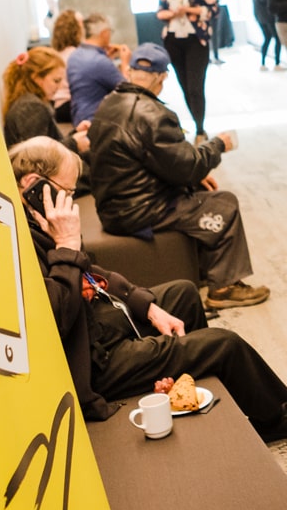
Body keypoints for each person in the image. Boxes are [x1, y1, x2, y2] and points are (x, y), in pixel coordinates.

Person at [8, 137, 287, 440]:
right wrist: (65, 243)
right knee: (223, 344)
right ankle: (272, 419)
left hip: (95, 320)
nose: (71, 199)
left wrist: (145, 304)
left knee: (184, 293)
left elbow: (89, 270)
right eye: (67, 190)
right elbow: (53, 317)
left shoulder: (41, 218)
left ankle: (192, 391)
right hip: (92, 362)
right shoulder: (18, 242)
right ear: (32, 185)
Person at [87, 42, 271, 311]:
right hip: (139, 211)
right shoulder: (154, 114)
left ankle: (212, 273)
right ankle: (224, 288)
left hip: (112, 205)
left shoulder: (109, 102)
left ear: (130, 72)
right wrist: (219, 144)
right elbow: (188, 166)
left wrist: (193, 180)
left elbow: (159, 162)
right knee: (225, 204)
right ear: (162, 78)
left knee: (202, 191)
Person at [156, 0, 218, 139]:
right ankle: (197, 123)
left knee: (195, 86)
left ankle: (200, 129)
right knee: (184, 85)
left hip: (195, 39)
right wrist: (169, 13)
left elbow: (213, 9)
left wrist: (187, 9)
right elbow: (160, 11)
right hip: (173, 39)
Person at [1, 47, 90, 155]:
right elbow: (39, 156)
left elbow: (50, 142)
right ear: (36, 78)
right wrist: (74, 143)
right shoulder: (30, 107)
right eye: (56, 81)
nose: (60, 86)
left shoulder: (29, 103)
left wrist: (75, 134)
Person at [65, 13, 130, 127]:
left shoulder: (74, 56)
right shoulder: (99, 61)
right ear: (104, 33)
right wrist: (125, 63)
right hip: (97, 123)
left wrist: (107, 59)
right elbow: (128, 90)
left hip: (78, 119)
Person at [245, 0, 284, 71]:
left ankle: (263, 63)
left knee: (267, 38)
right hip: (269, 16)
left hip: (259, 16)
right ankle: (277, 64)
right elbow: (266, 0)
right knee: (277, 38)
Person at [48, 8, 83, 122]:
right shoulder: (76, 54)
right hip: (67, 105)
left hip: (55, 106)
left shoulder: (55, 54)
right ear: (76, 30)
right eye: (82, 25)